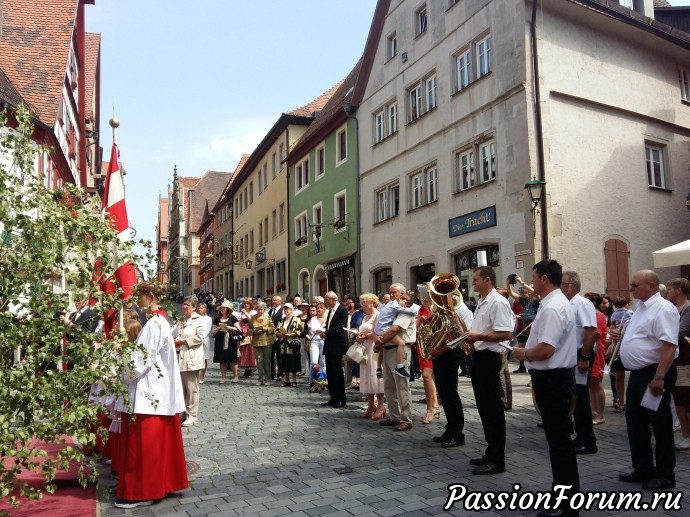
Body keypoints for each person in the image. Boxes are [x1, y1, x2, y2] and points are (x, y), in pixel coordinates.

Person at [511, 259, 579, 517]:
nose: (531, 281)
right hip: (554, 378)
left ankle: (566, 503)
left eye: (533, 275)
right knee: (558, 441)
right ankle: (561, 493)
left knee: (560, 443)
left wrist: (521, 353)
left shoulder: (552, 307)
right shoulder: (553, 303)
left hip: (553, 380)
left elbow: (545, 350)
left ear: (543, 279)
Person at [114, 282, 187, 509]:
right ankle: (160, 483)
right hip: (156, 391)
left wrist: (122, 359)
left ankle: (143, 491)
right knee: (154, 446)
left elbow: (140, 360)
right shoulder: (159, 321)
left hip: (150, 394)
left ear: (152, 296)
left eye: (142, 296)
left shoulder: (155, 324)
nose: (139, 301)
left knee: (146, 448)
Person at [616, 270, 679, 490]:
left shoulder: (663, 308)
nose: (631, 289)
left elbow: (669, 345)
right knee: (635, 422)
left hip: (655, 372)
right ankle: (643, 467)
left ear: (651, 285)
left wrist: (660, 376)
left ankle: (665, 474)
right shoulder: (640, 308)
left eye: (635, 285)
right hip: (639, 374)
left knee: (659, 424)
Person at [462, 266, 513, 475]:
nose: (472, 283)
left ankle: (497, 459)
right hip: (479, 357)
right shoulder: (483, 302)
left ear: (487, 280)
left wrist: (477, 337)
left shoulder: (498, 302)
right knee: (484, 408)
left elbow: (506, 334)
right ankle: (490, 451)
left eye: (475, 280)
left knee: (492, 409)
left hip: (490, 358)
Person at [427, 291, 473, 447]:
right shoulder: (442, 311)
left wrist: (438, 350)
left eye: (444, 296)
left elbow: (460, 338)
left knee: (451, 393)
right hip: (440, 354)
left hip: (451, 354)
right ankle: (450, 428)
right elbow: (435, 331)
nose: (440, 299)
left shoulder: (463, 311)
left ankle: (457, 433)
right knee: (444, 393)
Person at [560, 270, 598, 455]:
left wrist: (584, 358)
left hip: (580, 355)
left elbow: (591, 332)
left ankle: (587, 440)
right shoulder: (567, 303)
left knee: (581, 398)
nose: (560, 287)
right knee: (573, 397)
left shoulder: (582, 303)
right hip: (571, 355)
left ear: (573, 286)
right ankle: (580, 435)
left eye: (563, 284)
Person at [375, 287, 417, 431]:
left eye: (395, 293)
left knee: (402, 386)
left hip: (399, 351)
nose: (392, 295)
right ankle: (394, 416)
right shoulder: (394, 309)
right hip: (387, 349)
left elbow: (394, 329)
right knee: (389, 386)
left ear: (402, 294)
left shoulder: (405, 310)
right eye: (390, 292)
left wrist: (379, 341)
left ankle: (406, 419)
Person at [666, 278, 690, 451]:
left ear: (679, 290)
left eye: (669, 289)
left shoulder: (688, 309)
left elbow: (681, 332)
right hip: (674, 360)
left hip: (685, 361)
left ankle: (688, 436)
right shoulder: (673, 308)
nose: (667, 292)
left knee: (686, 397)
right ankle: (685, 434)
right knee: (678, 399)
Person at [174, 297, 206, 427]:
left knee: (191, 388)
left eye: (187, 305)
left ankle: (192, 415)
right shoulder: (180, 320)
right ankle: (182, 413)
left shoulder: (199, 320)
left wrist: (184, 341)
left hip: (191, 358)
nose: (184, 307)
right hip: (179, 357)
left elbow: (201, 337)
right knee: (181, 388)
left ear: (193, 307)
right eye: (184, 304)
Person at [356, 293, 386, 420]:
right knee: (366, 374)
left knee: (375, 374)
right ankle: (370, 405)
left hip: (375, 347)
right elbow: (363, 331)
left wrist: (366, 335)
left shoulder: (378, 315)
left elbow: (378, 333)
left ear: (372, 303)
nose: (362, 305)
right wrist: (358, 336)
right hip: (365, 348)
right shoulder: (365, 316)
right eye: (362, 302)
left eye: (365, 302)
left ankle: (380, 405)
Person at [319, 291, 348, 408]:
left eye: (326, 299)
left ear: (333, 299)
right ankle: (333, 397)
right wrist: (323, 330)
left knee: (337, 372)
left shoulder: (342, 310)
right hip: (329, 344)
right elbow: (330, 325)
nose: (325, 302)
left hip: (337, 344)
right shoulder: (331, 310)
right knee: (330, 372)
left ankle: (341, 398)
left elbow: (341, 327)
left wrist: (327, 333)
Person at [582, 292, 608, 426]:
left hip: (596, 351)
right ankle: (594, 410)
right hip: (591, 350)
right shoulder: (592, 315)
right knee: (591, 384)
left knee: (596, 383)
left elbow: (594, 334)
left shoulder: (598, 315)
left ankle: (600, 413)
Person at [415, 295, 440, 424]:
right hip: (423, 344)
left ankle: (431, 408)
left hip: (434, 344)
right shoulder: (421, 309)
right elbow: (416, 327)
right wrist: (420, 321)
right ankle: (434, 405)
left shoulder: (437, 307)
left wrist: (429, 319)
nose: (424, 298)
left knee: (426, 375)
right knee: (426, 377)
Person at [608, 296, 633, 412]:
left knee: (619, 377)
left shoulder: (613, 315)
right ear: (626, 303)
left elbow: (611, 329)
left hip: (617, 347)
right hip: (629, 346)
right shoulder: (631, 313)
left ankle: (621, 402)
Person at [212, 300, 242, 384]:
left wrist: (229, 327)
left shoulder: (232, 318)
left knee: (232, 359)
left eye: (224, 308)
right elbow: (213, 331)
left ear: (228, 309)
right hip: (220, 340)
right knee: (222, 360)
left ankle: (235, 376)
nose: (222, 309)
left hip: (230, 340)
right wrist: (218, 328)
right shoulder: (217, 319)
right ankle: (223, 377)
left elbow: (238, 329)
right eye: (221, 308)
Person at [276, 303, 304, 387]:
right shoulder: (282, 320)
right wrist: (280, 334)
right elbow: (277, 331)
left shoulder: (296, 319)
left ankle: (294, 380)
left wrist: (290, 335)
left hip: (293, 344)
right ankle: (286, 380)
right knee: (285, 362)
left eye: (287, 309)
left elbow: (299, 331)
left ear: (291, 310)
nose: (286, 310)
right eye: (284, 309)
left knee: (294, 362)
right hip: (283, 344)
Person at [248, 301, 276, 386]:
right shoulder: (253, 318)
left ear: (264, 309)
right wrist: (254, 331)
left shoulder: (267, 317)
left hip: (267, 341)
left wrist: (266, 329)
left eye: (262, 309)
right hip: (257, 342)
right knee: (259, 361)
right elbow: (249, 330)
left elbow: (273, 328)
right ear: (256, 309)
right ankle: (260, 379)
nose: (260, 311)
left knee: (267, 361)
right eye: (258, 309)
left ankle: (267, 379)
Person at [344, 294, 364, 390]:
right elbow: (352, 325)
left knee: (360, 360)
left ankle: (360, 383)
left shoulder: (359, 313)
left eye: (350, 302)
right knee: (349, 359)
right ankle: (350, 381)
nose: (348, 304)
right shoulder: (357, 314)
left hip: (365, 340)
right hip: (352, 338)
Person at [306, 302, 328, 375]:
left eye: (321, 308)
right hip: (314, 341)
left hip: (324, 341)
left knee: (323, 362)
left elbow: (327, 329)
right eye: (318, 308)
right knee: (314, 362)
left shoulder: (327, 318)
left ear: (324, 309)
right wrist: (322, 329)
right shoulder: (313, 319)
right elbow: (313, 329)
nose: (319, 309)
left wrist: (321, 330)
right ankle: (312, 381)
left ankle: (324, 380)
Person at [238, 298, 257, 378]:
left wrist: (246, 313)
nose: (246, 305)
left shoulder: (253, 312)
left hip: (250, 333)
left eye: (247, 304)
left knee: (250, 350)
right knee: (243, 350)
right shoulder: (240, 313)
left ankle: (251, 368)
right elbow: (239, 323)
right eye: (244, 304)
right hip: (243, 333)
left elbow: (252, 322)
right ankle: (245, 367)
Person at [268, 295, 284, 381]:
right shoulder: (270, 310)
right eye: (272, 300)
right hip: (270, 335)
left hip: (279, 335)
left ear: (279, 301)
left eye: (275, 300)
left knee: (279, 355)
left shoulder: (282, 311)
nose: (273, 301)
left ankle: (280, 373)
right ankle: (272, 373)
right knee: (270, 355)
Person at [197, 303, 213, 384]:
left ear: (205, 309)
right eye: (199, 308)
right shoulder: (195, 317)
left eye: (202, 308)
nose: (200, 310)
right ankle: (197, 375)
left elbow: (208, 329)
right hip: (196, 339)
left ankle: (202, 376)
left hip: (204, 339)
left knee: (204, 358)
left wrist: (202, 337)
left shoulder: (208, 318)